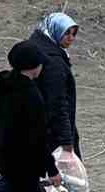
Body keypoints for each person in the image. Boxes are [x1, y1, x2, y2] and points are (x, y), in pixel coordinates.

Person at [0, 42, 60, 192]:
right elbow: (39, 139)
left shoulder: (1, 83)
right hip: (25, 165)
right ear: (34, 67)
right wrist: (52, 170)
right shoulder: (31, 96)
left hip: (2, 157)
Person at [24, 13, 82, 171]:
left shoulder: (35, 49)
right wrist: (67, 144)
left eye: (73, 34)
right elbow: (58, 104)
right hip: (51, 134)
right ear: (55, 31)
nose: (71, 38)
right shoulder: (54, 62)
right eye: (66, 33)